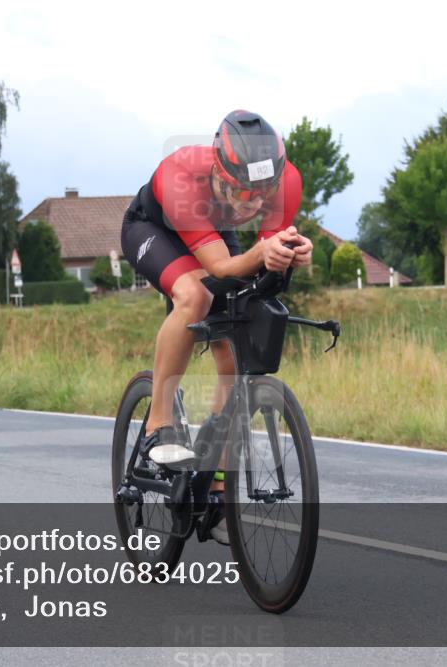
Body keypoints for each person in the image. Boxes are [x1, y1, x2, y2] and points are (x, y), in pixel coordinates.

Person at [120, 110, 313, 543]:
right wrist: (266, 251)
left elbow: (268, 262)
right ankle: (158, 424)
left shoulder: (287, 182)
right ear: (218, 171)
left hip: (212, 230)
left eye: (263, 194)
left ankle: (218, 474)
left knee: (235, 334)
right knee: (196, 296)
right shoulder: (181, 177)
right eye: (242, 191)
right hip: (155, 228)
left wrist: (295, 253)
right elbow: (220, 267)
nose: (252, 203)